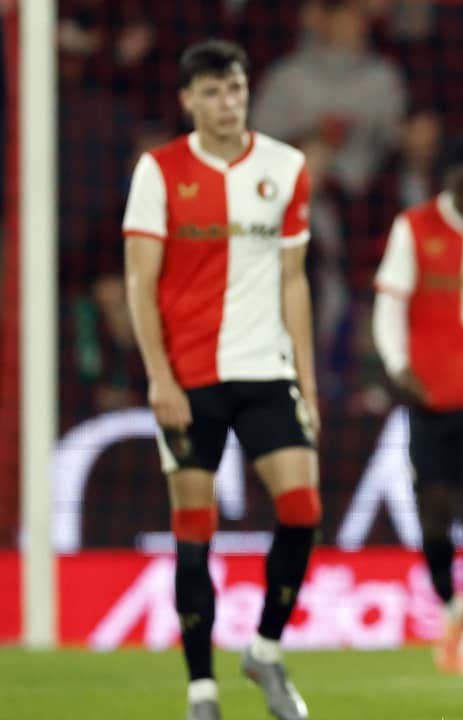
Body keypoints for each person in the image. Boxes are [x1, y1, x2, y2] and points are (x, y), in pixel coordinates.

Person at [122, 40, 319, 720]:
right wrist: (159, 378)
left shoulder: (286, 167)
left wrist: (308, 385)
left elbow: (296, 283)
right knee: (194, 530)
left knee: (303, 509)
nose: (226, 102)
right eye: (211, 92)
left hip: (266, 371)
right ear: (188, 101)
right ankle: (201, 691)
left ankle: (264, 650)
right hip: (189, 378)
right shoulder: (160, 171)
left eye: (234, 88)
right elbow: (139, 285)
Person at [371, 134, 463, 679]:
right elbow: (388, 306)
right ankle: (451, 608)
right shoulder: (414, 227)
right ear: (447, 183)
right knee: (433, 514)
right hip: (428, 398)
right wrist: (397, 366)